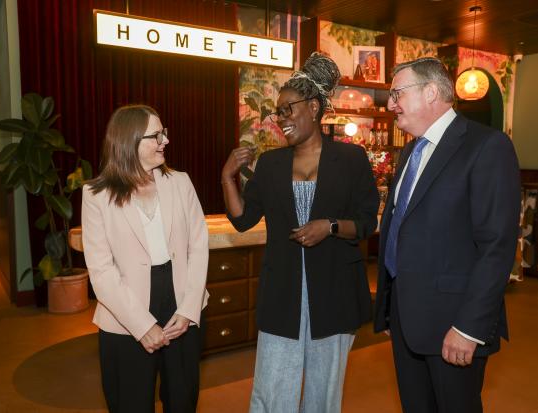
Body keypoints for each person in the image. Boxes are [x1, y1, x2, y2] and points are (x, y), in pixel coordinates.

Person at [222, 52, 379, 413]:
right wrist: (226, 176)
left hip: (335, 293)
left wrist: (331, 226)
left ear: (313, 107)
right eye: (278, 112)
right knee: (273, 386)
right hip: (284, 293)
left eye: (287, 109)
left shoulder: (351, 160)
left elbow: (368, 222)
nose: (281, 119)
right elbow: (243, 219)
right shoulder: (271, 164)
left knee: (324, 394)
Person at [373, 57, 521, 413]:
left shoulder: (487, 147)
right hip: (408, 319)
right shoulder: (409, 150)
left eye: (397, 94)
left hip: (453, 324)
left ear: (431, 92)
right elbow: (402, 230)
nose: (391, 104)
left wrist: (469, 328)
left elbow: (497, 247)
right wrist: (392, 311)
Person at [82, 104, 209, 413]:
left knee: (182, 400)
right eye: (156, 135)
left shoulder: (180, 182)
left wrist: (189, 310)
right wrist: (141, 325)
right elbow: (101, 271)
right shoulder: (95, 195)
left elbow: (198, 245)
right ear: (129, 141)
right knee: (131, 402)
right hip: (125, 313)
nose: (165, 140)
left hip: (180, 303)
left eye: (163, 133)